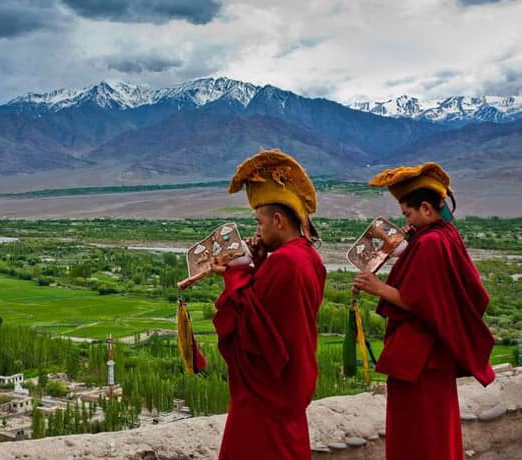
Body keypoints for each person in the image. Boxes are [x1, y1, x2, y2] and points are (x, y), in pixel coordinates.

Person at [352, 162, 496, 460]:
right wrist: (407, 242)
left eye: (409, 214)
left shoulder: (431, 243)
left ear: (427, 209)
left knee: (419, 435)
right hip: (434, 357)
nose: (406, 221)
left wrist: (375, 286)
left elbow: (421, 302)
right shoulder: (445, 234)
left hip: (421, 360)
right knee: (437, 431)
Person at [210, 148, 326, 459]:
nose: (257, 231)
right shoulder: (307, 257)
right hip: (289, 388)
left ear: (278, 220)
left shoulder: (286, 263)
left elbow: (255, 335)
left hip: (267, 395)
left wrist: (235, 276)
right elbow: (274, 314)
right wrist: (258, 267)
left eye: (260, 222)